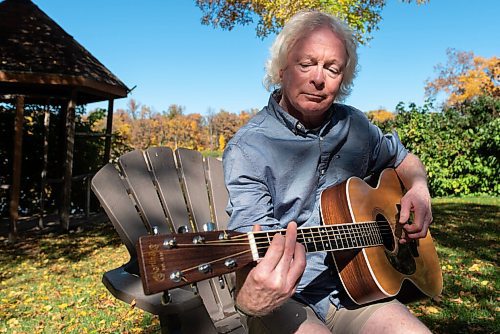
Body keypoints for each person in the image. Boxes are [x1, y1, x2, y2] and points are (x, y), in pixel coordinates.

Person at [222, 10, 433, 334]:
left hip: (360, 288)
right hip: (288, 299)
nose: (318, 78)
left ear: (343, 79)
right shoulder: (249, 148)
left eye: (332, 69)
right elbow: (252, 255)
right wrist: (249, 300)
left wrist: (419, 188)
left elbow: (404, 159)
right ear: (281, 68)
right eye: (306, 63)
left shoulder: (356, 126)